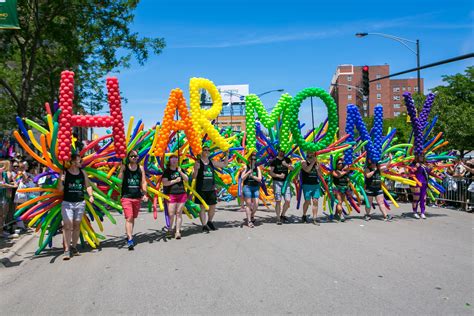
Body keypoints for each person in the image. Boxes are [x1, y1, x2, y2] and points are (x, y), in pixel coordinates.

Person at [57, 154, 94, 260]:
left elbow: (88, 185)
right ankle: (67, 249)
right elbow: (60, 189)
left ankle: (73, 247)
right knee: (67, 225)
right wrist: (61, 180)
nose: (81, 162)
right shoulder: (64, 173)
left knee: (77, 225)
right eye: (80, 161)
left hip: (80, 202)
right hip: (67, 203)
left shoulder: (83, 173)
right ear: (73, 162)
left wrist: (91, 195)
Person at [192, 145, 229, 232]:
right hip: (201, 188)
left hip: (211, 188)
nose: (207, 151)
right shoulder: (198, 162)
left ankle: (209, 221)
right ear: (202, 152)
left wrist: (227, 155)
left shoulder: (211, 162)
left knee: (213, 206)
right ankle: (204, 224)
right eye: (205, 150)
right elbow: (194, 177)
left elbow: (224, 164)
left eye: (208, 150)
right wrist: (196, 169)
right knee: (202, 207)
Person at [118, 150, 148, 250]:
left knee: (133, 218)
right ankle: (130, 239)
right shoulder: (125, 168)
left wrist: (144, 193)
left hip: (137, 197)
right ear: (128, 157)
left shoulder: (140, 168)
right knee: (129, 217)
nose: (134, 158)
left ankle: (129, 234)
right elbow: (119, 182)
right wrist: (121, 171)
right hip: (126, 196)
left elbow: (143, 182)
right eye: (132, 156)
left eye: (135, 156)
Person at [162, 154, 188, 239]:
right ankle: (170, 229)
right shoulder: (167, 171)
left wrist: (181, 172)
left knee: (178, 213)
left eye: (176, 159)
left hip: (181, 193)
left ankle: (177, 231)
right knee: (171, 214)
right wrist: (175, 181)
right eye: (172, 159)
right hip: (171, 194)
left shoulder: (180, 169)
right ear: (169, 161)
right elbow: (165, 183)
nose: (174, 160)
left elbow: (187, 179)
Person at [269, 147, 294, 225]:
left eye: (283, 151)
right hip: (277, 182)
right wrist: (278, 175)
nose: (282, 152)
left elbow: (292, 168)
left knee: (288, 200)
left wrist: (286, 165)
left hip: (286, 183)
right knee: (278, 201)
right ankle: (278, 218)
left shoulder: (287, 160)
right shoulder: (274, 161)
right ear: (278, 151)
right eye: (280, 151)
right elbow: (270, 172)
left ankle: (282, 215)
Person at [301, 151, 323, 225]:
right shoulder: (303, 162)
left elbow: (320, 175)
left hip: (315, 185)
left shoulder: (317, 163)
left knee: (315, 201)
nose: (311, 156)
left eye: (313, 155)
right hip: (306, 185)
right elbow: (307, 170)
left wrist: (318, 169)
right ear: (307, 155)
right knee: (307, 201)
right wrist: (313, 163)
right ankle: (304, 215)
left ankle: (314, 219)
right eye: (310, 154)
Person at [241, 152, 262, 228]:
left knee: (256, 204)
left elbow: (259, 179)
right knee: (248, 204)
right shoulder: (246, 167)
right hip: (247, 187)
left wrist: (253, 177)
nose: (254, 160)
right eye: (252, 159)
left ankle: (252, 215)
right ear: (249, 159)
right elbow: (242, 178)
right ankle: (249, 220)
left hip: (255, 187)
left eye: (255, 159)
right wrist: (248, 173)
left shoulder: (258, 168)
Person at [331, 157, 350, 222]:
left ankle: (336, 214)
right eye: (339, 164)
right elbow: (338, 175)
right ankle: (340, 215)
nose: (340, 165)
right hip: (337, 189)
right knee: (339, 202)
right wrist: (345, 172)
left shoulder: (344, 170)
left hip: (344, 188)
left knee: (340, 202)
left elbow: (347, 178)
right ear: (336, 164)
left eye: (342, 163)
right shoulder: (334, 171)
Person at [0, 160, 15, 238]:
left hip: (4, 195)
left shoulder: (4, 173)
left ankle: (2, 231)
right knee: (2, 215)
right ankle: (1, 231)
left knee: (3, 215)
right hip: (2, 195)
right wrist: (13, 185)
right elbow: (3, 184)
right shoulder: (5, 173)